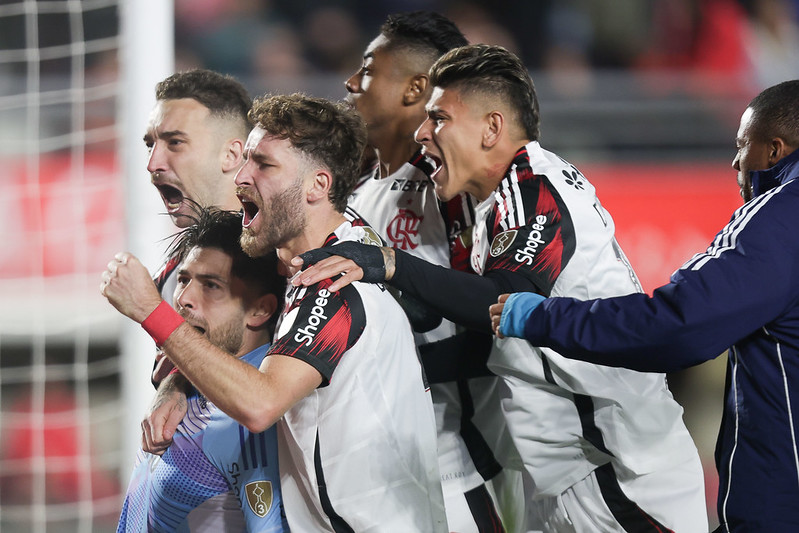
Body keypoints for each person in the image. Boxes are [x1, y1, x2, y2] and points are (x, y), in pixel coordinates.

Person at [294, 44, 708, 532]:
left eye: (439, 118)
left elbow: (503, 300)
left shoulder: (535, 191)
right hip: (567, 474)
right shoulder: (499, 202)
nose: (422, 133)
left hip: (619, 471)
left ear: (492, 128)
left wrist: (390, 263)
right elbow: (496, 339)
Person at [102, 93, 447, 532]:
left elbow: (260, 403)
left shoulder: (332, 281)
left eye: (263, 164)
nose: (242, 176)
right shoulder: (325, 260)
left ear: (317, 186)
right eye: (246, 159)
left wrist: (152, 312)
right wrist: (177, 381)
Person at [489, 79, 799, 532]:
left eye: (742, 146)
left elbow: (678, 324)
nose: (735, 162)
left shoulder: (780, 216)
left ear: (774, 151)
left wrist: (543, 316)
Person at [344, 11, 517, 532]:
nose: (350, 82)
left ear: (414, 88)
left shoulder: (455, 190)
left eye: (367, 70)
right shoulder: (354, 189)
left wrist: (389, 368)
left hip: (456, 467)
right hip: (375, 462)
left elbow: (499, 323)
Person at [117, 207, 288, 532]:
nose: (184, 298)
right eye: (183, 280)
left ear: (260, 309)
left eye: (211, 286)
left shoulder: (250, 420)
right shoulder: (190, 384)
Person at [144, 68, 252, 382]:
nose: (152, 164)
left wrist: (149, 310)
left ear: (231, 154)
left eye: (175, 143)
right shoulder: (172, 274)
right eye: (150, 145)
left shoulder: (290, 258)